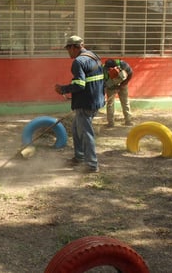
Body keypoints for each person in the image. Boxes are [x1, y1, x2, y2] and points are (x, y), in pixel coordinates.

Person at [55, 35, 105, 173]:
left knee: (85, 133)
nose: (68, 53)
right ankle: (79, 157)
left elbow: (80, 84)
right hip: (97, 99)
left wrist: (63, 89)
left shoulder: (78, 62)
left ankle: (92, 165)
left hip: (86, 102)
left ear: (73, 47)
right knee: (77, 128)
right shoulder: (94, 56)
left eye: (68, 49)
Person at [103, 58, 133, 127]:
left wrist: (123, 84)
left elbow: (131, 73)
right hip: (111, 86)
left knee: (125, 102)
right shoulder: (104, 69)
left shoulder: (122, 64)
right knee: (110, 104)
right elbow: (103, 81)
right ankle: (111, 123)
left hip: (123, 84)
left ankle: (128, 121)